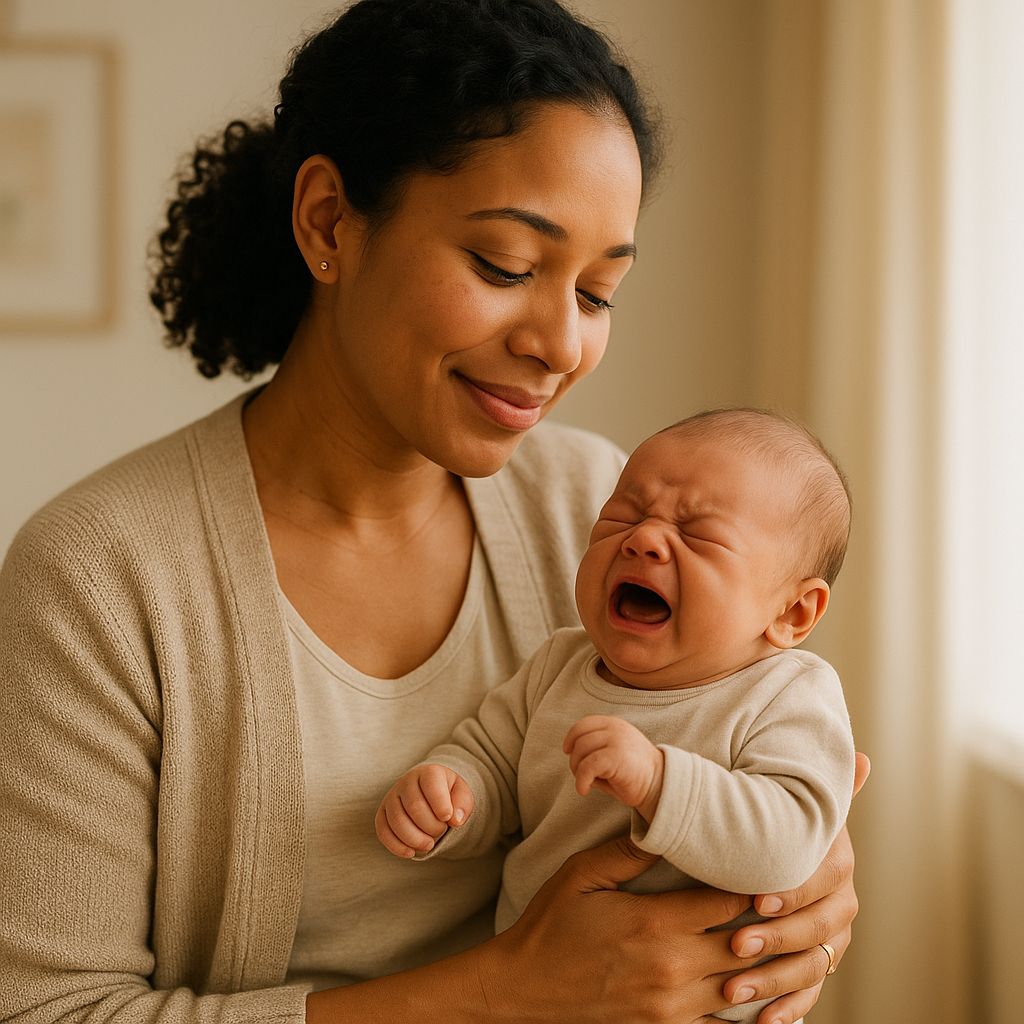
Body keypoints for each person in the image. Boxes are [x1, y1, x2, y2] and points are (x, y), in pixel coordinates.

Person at [0, 2, 867, 1023]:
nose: (558, 343)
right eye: (506, 266)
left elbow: (758, 776)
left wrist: (798, 899)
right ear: (329, 222)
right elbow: (47, 1010)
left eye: (596, 293)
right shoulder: (102, 578)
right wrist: (506, 991)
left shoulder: (598, 513)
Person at [376, 408, 857, 1024]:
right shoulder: (559, 665)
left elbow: (791, 845)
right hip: (534, 1000)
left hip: (698, 1006)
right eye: (622, 516)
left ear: (793, 613)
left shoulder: (787, 694)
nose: (643, 539)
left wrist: (660, 783)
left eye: (701, 535)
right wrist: (449, 794)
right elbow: (492, 758)